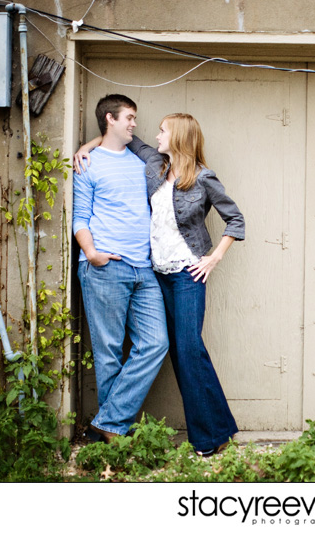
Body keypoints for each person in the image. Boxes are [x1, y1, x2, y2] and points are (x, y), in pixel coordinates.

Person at [75, 111, 244, 456]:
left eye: (163, 131)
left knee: (188, 350)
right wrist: (85, 147)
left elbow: (235, 220)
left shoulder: (204, 178)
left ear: (179, 137)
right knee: (178, 352)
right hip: (157, 274)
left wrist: (213, 257)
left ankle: (211, 437)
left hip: (186, 274)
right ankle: (218, 431)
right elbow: (121, 138)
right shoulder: (156, 166)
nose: (155, 136)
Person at [72, 94, 169, 442]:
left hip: (144, 269)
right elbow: (79, 217)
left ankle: (107, 423)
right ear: (109, 119)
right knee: (109, 353)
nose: (134, 124)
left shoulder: (141, 162)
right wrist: (92, 252)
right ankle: (112, 438)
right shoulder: (88, 163)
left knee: (156, 343)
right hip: (105, 267)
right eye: (128, 117)